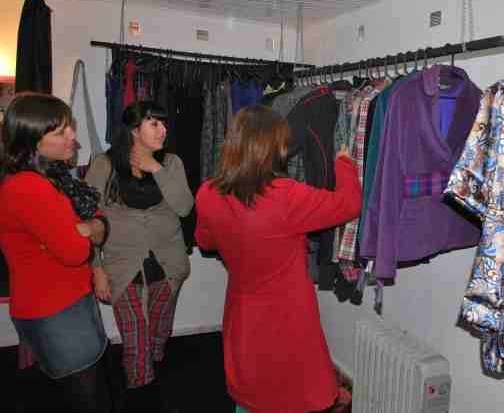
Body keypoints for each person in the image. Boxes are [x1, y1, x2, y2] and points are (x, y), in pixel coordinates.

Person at [195, 105, 362, 413]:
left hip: (243, 312)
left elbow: (205, 241)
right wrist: (344, 163)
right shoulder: (286, 195)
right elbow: (349, 204)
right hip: (289, 313)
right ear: (274, 147)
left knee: (251, 389)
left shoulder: (208, 193)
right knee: (293, 389)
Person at [0, 93, 111, 413]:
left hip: (63, 304)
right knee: (87, 400)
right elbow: (76, 250)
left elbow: (95, 221)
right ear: (33, 141)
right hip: (55, 310)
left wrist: (88, 227)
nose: (73, 135)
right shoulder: (30, 187)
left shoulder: (52, 176)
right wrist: (90, 229)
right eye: (61, 131)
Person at [84, 100, 193, 411]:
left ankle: (154, 373)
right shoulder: (105, 164)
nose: (163, 130)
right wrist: (96, 268)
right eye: (154, 123)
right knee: (135, 340)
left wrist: (156, 169)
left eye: (164, 123)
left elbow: (185, 207)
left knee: (159, 332)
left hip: (167, 262)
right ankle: (141, 393)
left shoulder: (171, 162)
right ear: (134, 130)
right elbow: (88, 218)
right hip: (122, 265)